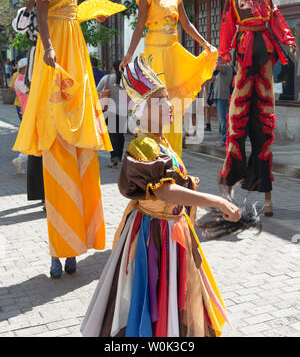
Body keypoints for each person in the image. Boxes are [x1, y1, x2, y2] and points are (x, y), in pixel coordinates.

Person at [81, 54, 241, 338]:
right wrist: (215, 200)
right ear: (146, 110)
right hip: (153, 237)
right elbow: (164, 190)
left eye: (168, 99)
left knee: (173, 297)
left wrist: (190, 184)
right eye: (163, 100)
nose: (170, 106)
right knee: (152, 295)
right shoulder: (143, 147)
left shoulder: (160, 143)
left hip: (172, 232)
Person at [13, 0, 112, 279]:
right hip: (56, 57)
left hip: (77, 55)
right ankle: (58, 251)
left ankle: (77, 248)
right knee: (57, 153)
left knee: (83, 157)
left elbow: (69, 16)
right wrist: (49, 49)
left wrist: (92, 22)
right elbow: (41, 17)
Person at [120, 0, 218, 157]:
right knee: (157, 104)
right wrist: (129, 54)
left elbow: (187, 24)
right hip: (155, 54)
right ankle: (154, 156)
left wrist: (205, 44)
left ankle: (174, 158)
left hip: (173, 53)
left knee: (174, 104)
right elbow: (139, 27)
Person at [219, 0, 298, 217]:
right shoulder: (234, 1)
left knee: (263, 125)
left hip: (263, 48)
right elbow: (227, 27)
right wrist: (223, 53)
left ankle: (266, 195)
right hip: (244, 49)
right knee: (238, 115)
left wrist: (288, 40)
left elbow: (277, 20)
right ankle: (231, 193)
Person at [12, 0, 46, 208]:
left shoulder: (55, 10)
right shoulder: (30, 13)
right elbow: (19, 27)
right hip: (40, 62)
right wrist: (29, 7)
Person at [97, 59, 127, 168]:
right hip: (123, 111)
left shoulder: (107, 78)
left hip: (110, 110)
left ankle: (113, 161)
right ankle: (119, 157)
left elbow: (97, 90)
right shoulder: (126, 80)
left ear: (113, 67)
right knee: (120, 135)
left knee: (112, 135)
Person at [11, 58, 29, 174]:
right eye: (27, 67)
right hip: (28, 114)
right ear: (22, 69)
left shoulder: (25, 79)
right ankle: (20, 159)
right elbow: (30, 92)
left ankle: (20, 159)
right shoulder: (19, 80)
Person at [214, 57, 234, 147]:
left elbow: (217, 67)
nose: (219, 61)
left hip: (223, 96)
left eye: (220, 59)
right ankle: (225, 138)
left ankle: (224, 139)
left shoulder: (227, 67)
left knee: (223, 119)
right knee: (223, 119)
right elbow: (213, 79)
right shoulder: (224, 69)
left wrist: (210, 60)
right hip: (219, 96)